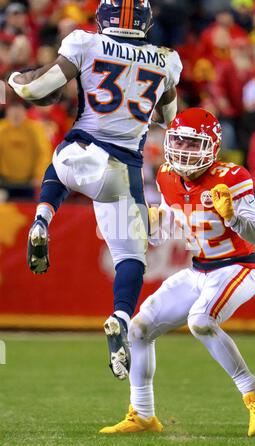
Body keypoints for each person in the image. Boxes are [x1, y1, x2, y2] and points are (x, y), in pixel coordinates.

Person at [8, 0, 182, 380]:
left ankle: (42, 218)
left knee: (59, 161)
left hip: (81, 155)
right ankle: (120, 315)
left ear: (104, 16)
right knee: (131, 258)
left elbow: (39, 86)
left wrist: (14, 80)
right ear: (145, 21)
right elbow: (172, 121)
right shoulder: (166, 60)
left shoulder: (86, 43)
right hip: (123, 175)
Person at [100, 108, 255, 437]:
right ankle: (142, 415)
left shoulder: (233, 177)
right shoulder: (167, 176)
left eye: (193, 143)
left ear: (212, 147)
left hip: (237, 267)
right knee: (139, 328)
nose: (183, 149)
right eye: (179, 140)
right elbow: (165, 228)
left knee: (201, 321)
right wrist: (151, 223)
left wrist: (235, 218)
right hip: (198, 271)